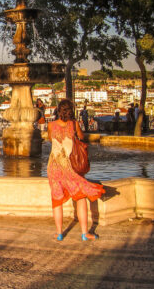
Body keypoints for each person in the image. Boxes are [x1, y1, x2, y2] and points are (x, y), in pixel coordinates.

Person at [46, 99, 105, 241]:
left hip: (54, 166)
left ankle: (59, 233)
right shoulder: (74, 124)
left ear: (58, 111)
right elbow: (82, 137)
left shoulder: (51, 125)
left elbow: (50, 139)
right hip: (71, 166)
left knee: (57, 199)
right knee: (81, 197)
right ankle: (85, 233)